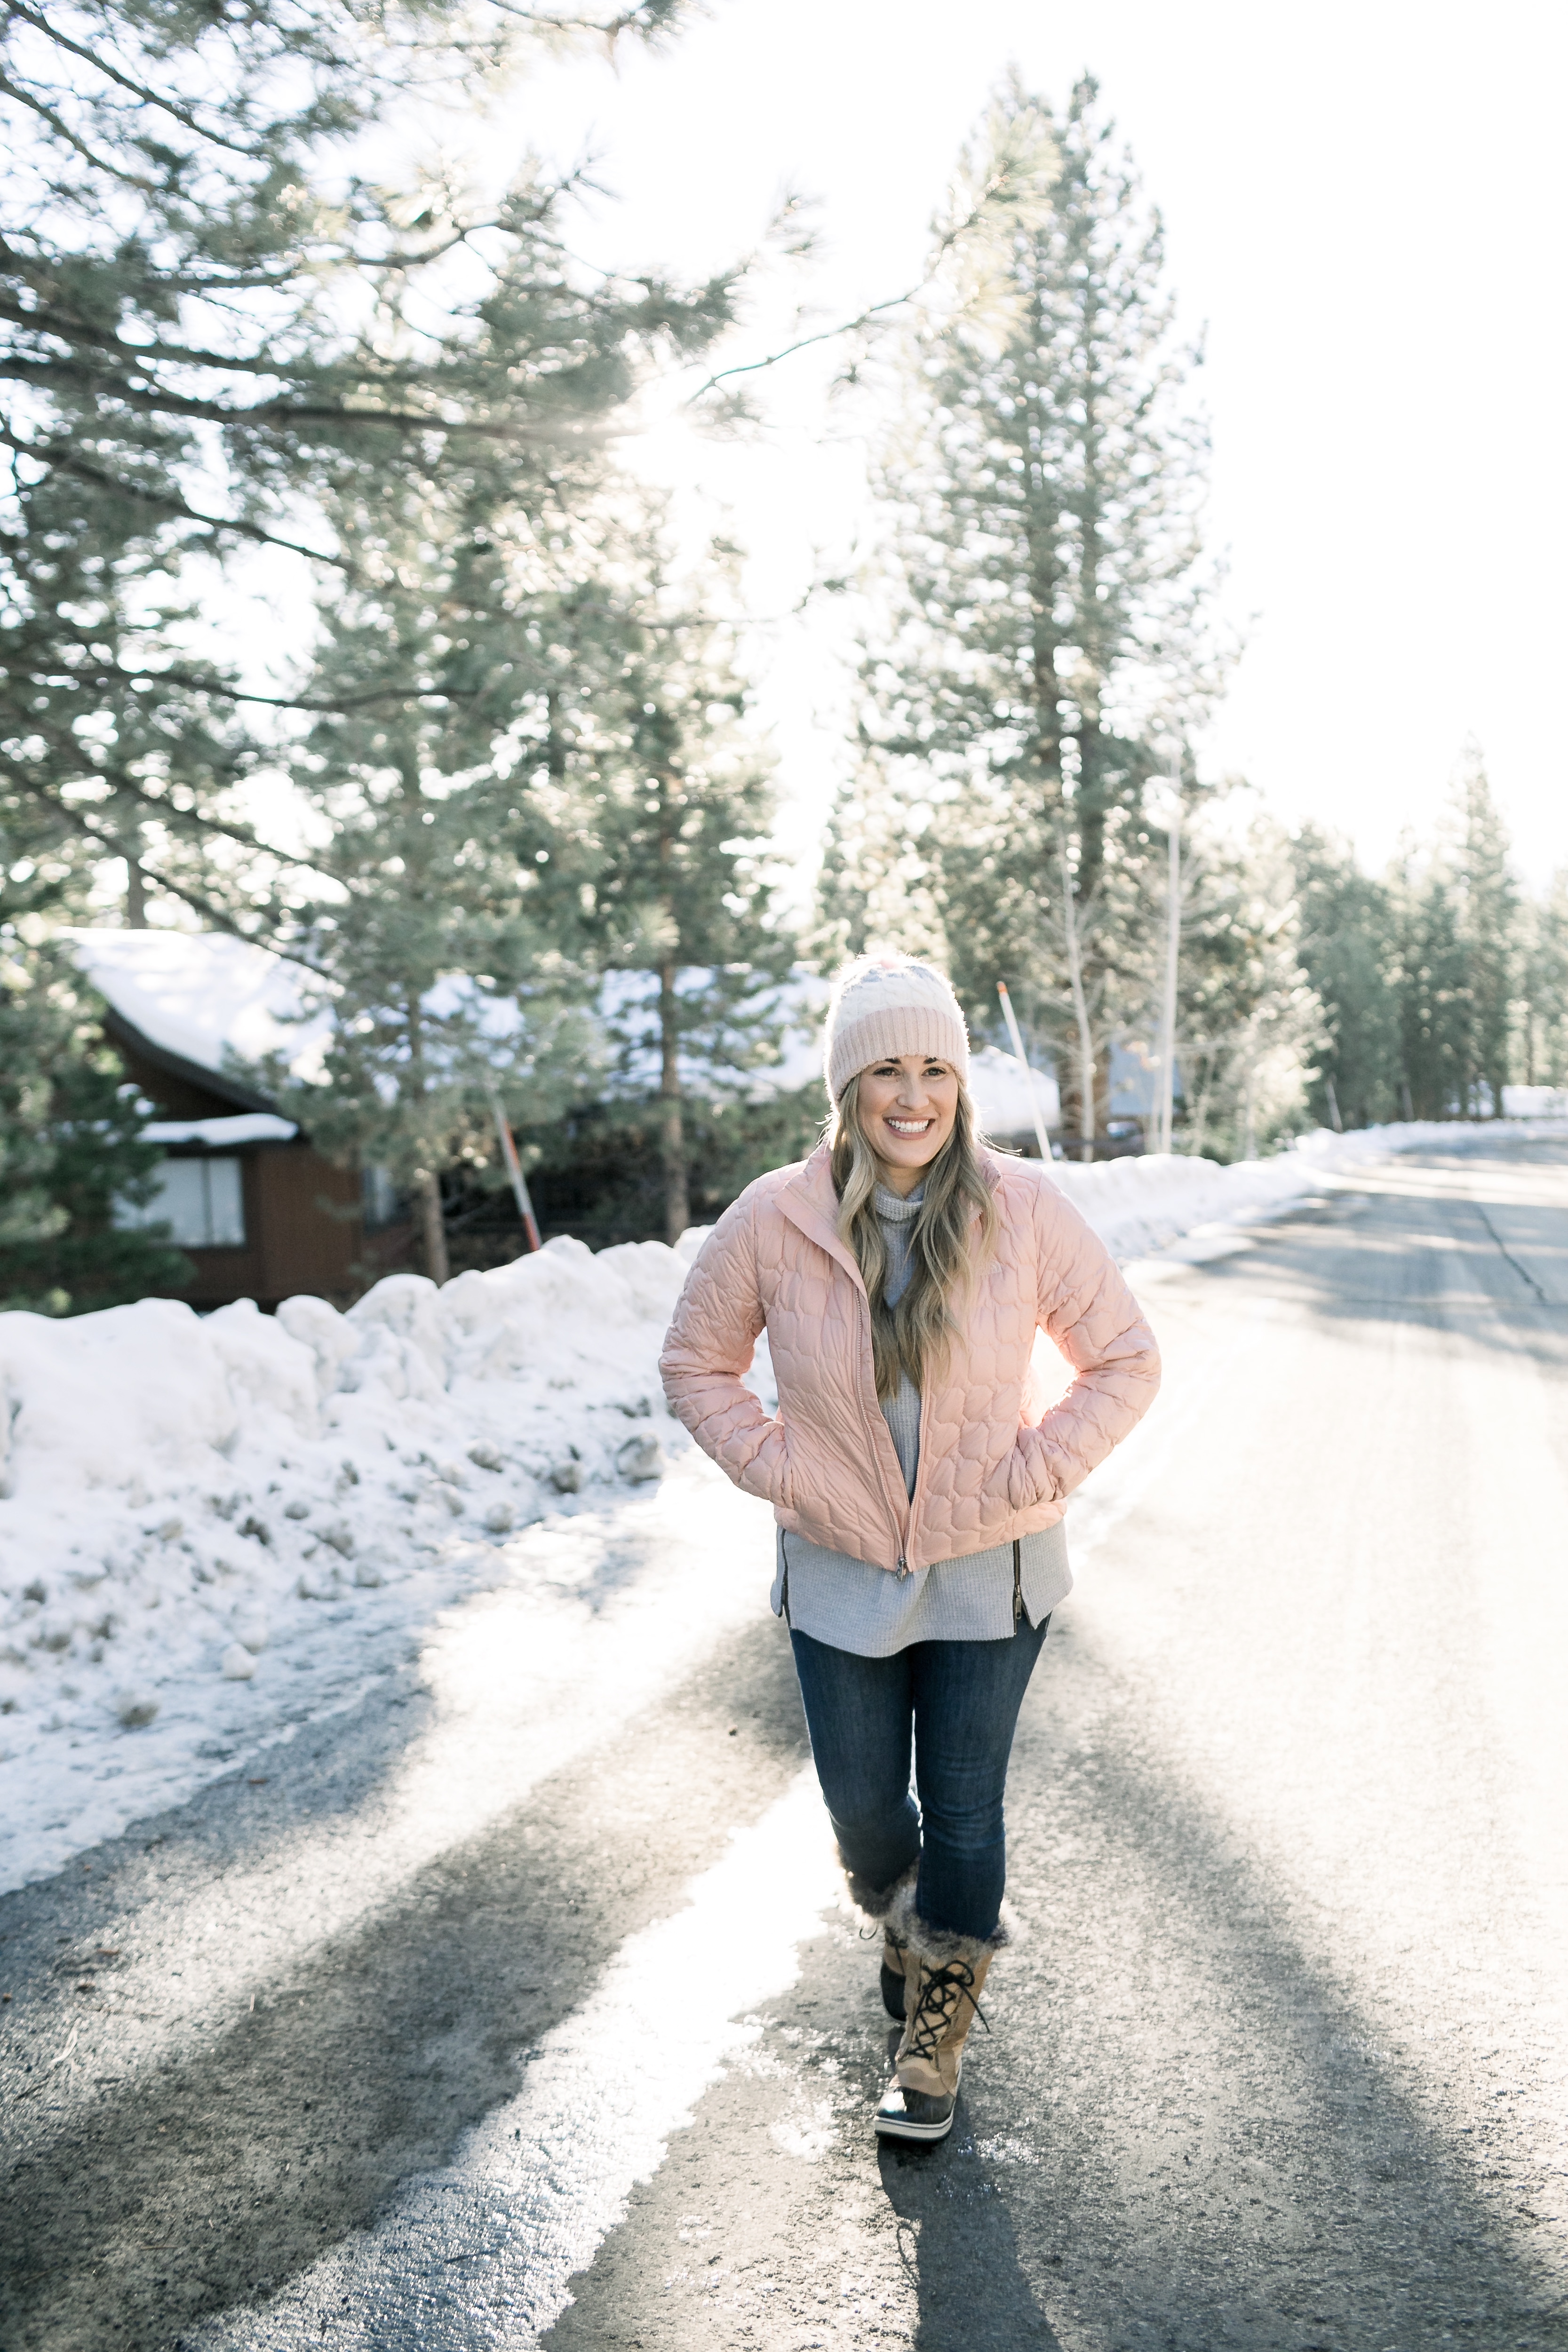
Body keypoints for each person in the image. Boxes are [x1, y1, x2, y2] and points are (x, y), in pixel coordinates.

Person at [660, 954, 1160, 2144]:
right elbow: (696, 1364)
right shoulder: (773, 1219)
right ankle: (903, 1914)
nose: (913, 1094)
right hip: (841, 1567)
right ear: (847, 1087)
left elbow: (1123, 1361)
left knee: (967, 1809)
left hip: (992, 1569)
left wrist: (1030, 1475)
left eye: (935, 1067)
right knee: (863, 1808)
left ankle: (932, 2035)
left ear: (960, 1087)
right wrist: (789, 1475)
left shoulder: (1022, 1209)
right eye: (886, 1066)